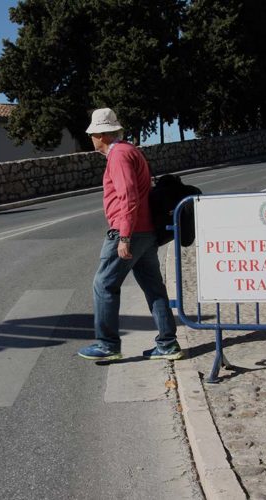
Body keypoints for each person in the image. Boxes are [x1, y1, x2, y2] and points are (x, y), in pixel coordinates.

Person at [77, 108, 182, 361]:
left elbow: (128, 195)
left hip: (129, 232)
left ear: (102, 134)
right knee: (153, 287)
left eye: (93, 134)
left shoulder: (119, 155)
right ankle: (167, 343)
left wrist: (124, 236)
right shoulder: (131, 151)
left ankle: (107, 344)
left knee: (104, 285)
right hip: (146, 232)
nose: (91, 138)